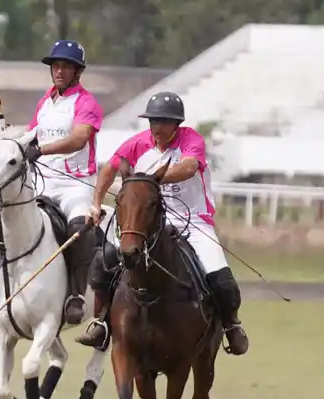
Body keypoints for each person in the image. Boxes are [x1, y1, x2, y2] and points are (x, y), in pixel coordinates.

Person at [77, 91, 249, 355]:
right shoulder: (137, 143)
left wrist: (149, 182)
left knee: (221, 278)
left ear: (176, 123)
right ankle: (100, 322)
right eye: (152, 121)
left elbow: (189, 167)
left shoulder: (191, 140)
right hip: (148, 223)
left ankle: (230, 325)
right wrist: (97, 203)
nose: (156, 127)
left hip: (192, 221)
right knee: (106, 260)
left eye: (163, 122)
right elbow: (110, 168)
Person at [0, 39, 104, 325]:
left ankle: (76, 298)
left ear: (77, 72)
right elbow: (32, 135)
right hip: (41, 180)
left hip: (75, 185)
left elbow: (79, 138)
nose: (59, 71)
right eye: (55, 66)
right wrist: (6, 135)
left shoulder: (86, 103)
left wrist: (42, 149)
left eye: (66, 67)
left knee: (80, 232)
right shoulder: (46, 101)